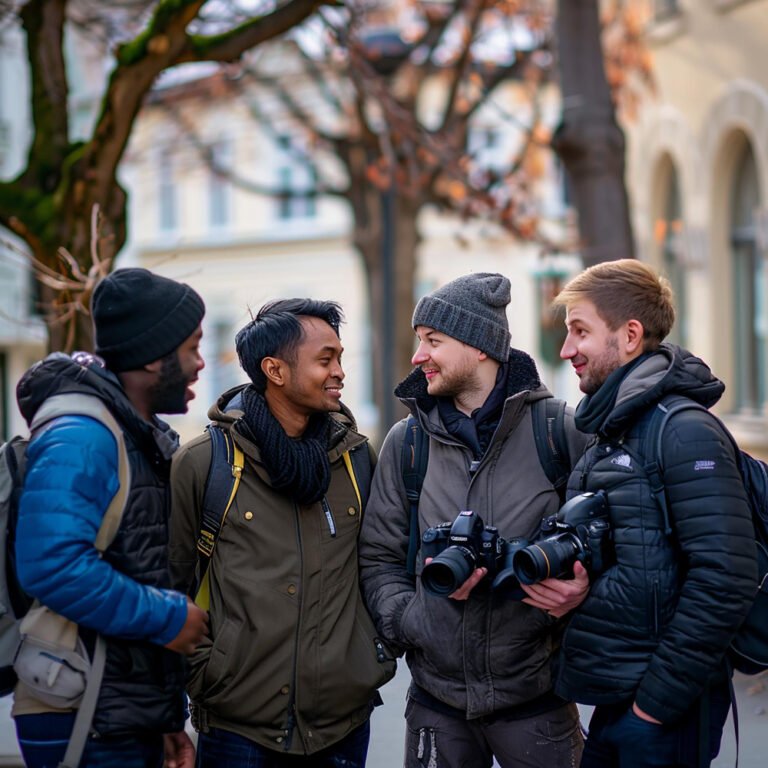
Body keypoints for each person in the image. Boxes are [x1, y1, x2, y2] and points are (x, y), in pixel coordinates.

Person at [358, 272, 591, 768]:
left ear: (480, 347)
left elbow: (600, 539)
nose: (418, 355)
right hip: (435, 706)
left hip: (539, 700)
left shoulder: (559, 431)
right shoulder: (408, 443)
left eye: (433, 341)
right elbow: (378, 555)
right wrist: (411, 619)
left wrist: (580, 592)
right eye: (420, 341)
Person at [168, 298, 396, 768]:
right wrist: (205, 676)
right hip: (237, 726)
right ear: (275, 370)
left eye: (340, 358)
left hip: (343, 723)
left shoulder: (356, 459)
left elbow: (382, 563)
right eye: (324, 359)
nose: (339, 372)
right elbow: (171, 587)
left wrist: (370, 654)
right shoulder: (204, 464)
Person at [551, 258, 758, 768]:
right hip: (621, 699)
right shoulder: (614, 429)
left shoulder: (683, 430)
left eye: (580, 331)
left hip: (665, 710)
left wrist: (653, 709)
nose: (566, 349)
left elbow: (726, 576)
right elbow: (640, 563)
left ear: (629, 335)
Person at [13, 267, 210, 768]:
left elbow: (134, 562)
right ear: (152, 357)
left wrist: (164, 719)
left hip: (119, 711)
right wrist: (169, 616)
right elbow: (52, 565)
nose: (200, 364)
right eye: (191, 347)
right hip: (80, 712)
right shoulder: (83, 434)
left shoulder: (133, 433)